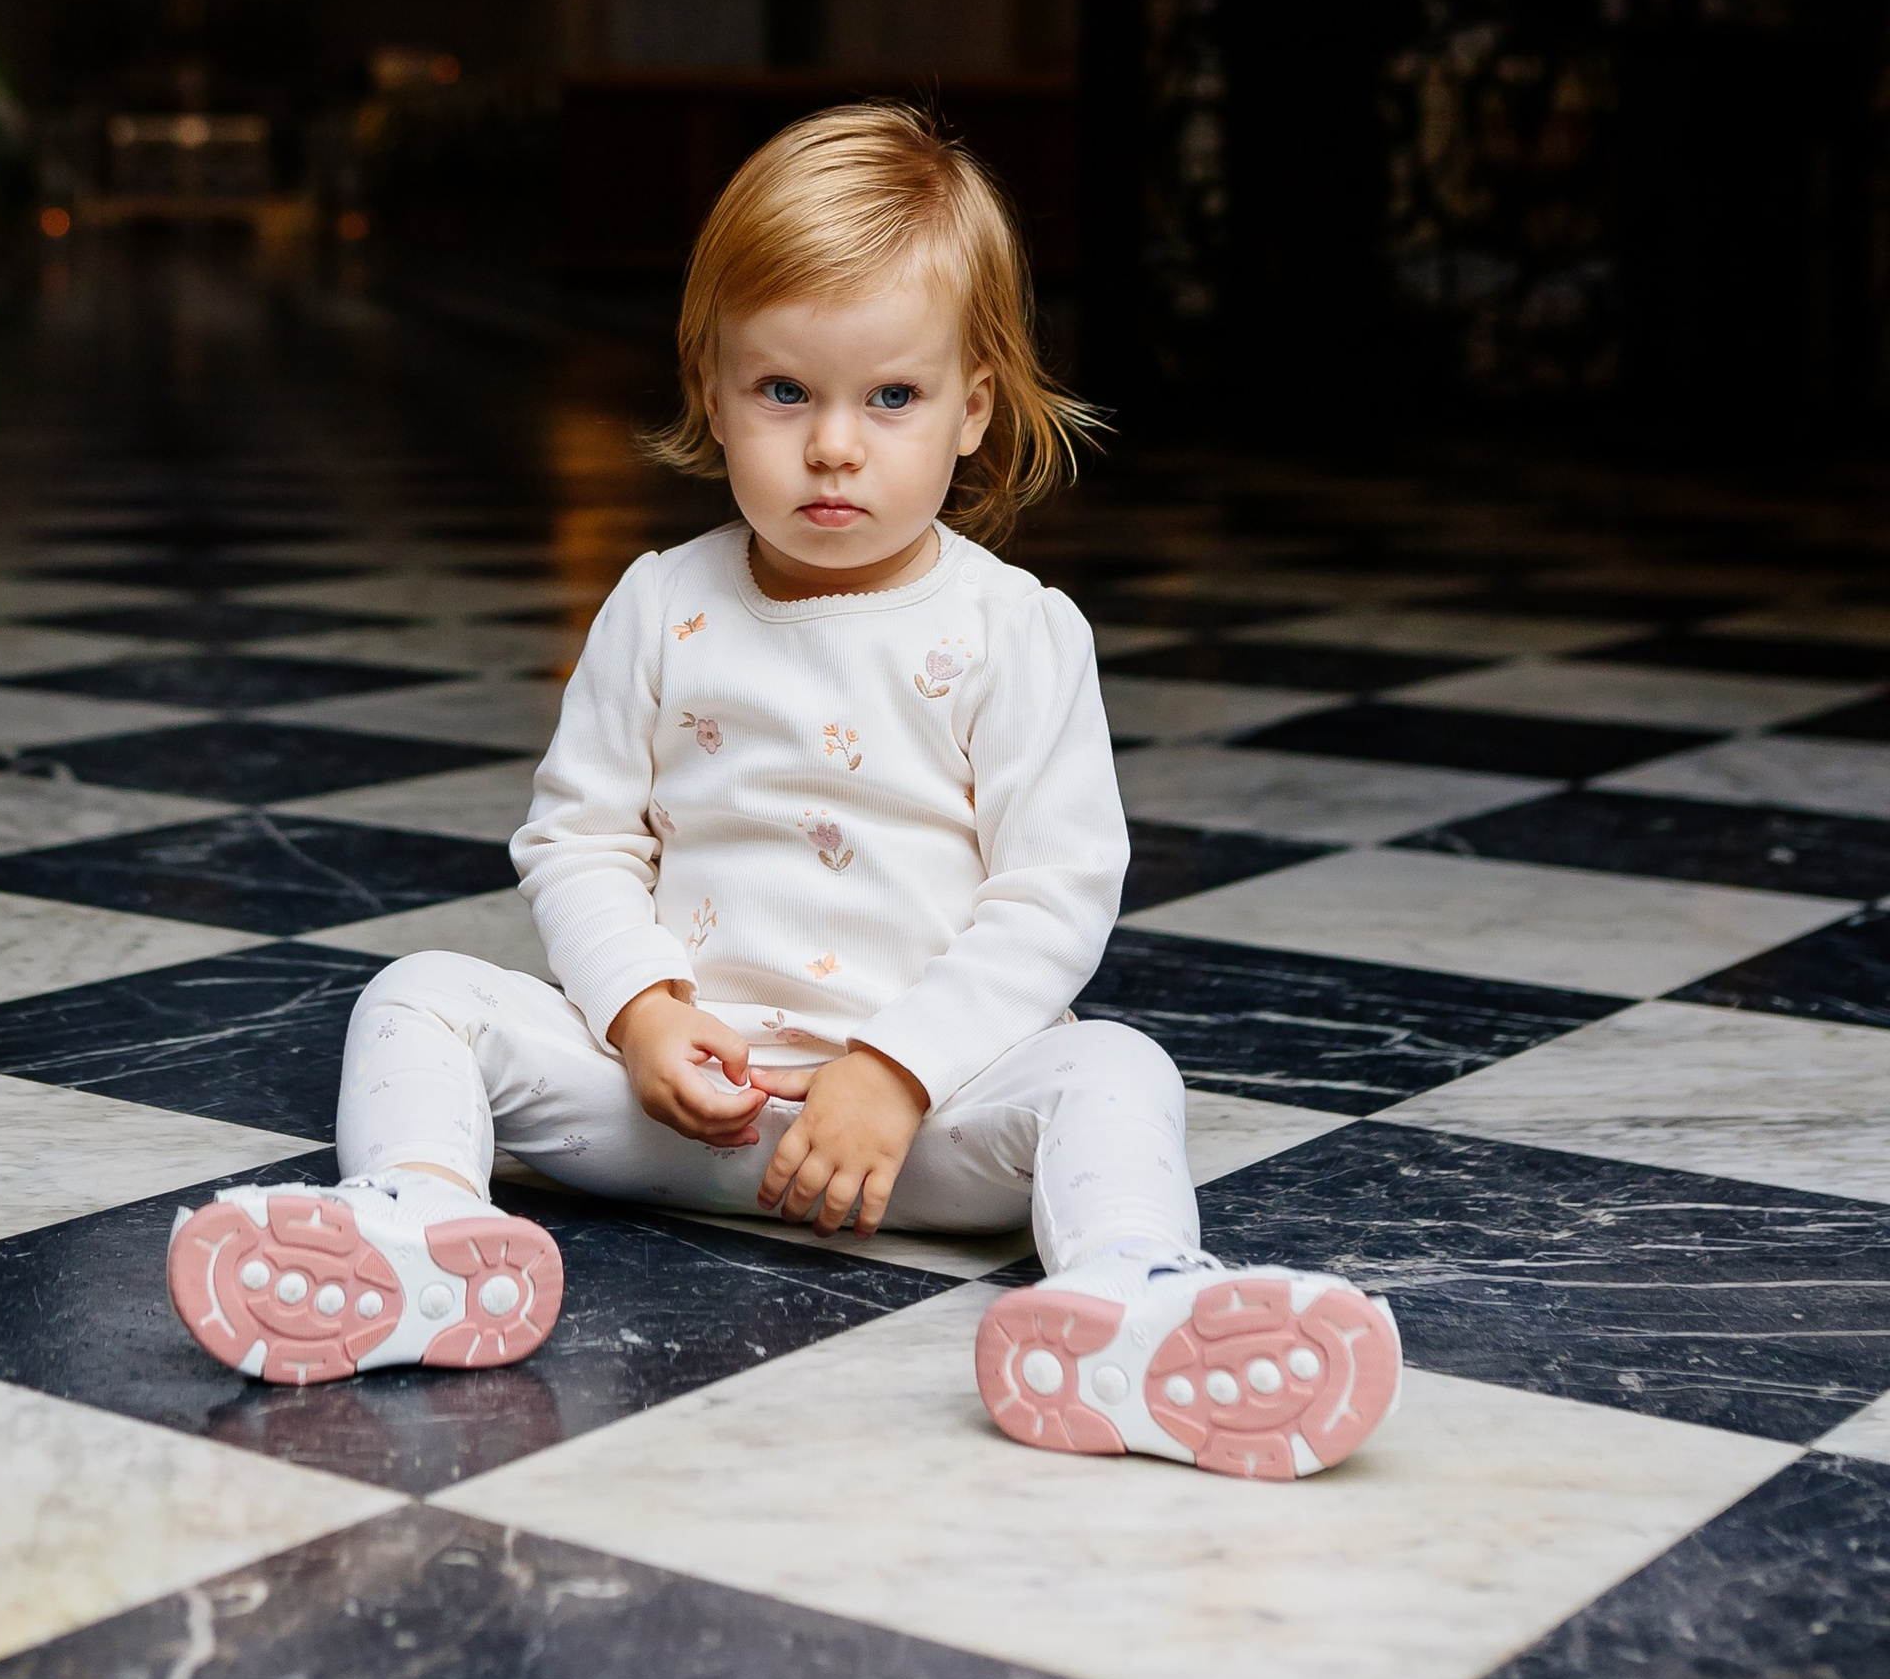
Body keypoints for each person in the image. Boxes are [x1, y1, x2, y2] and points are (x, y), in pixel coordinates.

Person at [168, 101, 1402, 1480]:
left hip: (914, 1137)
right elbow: (577, 836)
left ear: (974, 406)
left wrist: (893, 1071)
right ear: (712, 388)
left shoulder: (1015, 630)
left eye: (891, 398)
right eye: (784, 393)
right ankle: (420, 1232)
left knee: (1118, 1069)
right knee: (418, 995)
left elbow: (1054, 897)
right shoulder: (660, 605)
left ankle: (1130, 1304)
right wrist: (640, 1015)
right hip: (673, 1111)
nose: (833, 446)